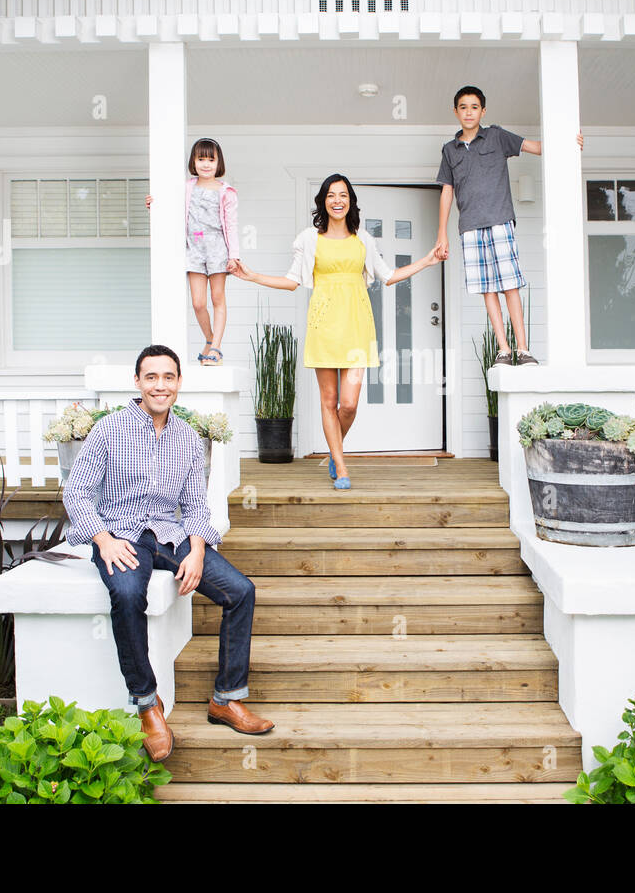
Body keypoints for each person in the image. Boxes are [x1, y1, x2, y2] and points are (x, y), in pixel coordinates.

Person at [62, 344, 274, 763]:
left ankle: (226, 699)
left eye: (169, 377)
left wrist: (197, 550)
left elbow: (196, 504)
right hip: (121, 533)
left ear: (178, 383)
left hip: (170, 536)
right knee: (126, 595)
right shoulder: (109, 430)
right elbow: (77, 491)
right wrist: (102, 540)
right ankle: (147, 703)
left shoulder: (189, 439)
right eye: (152, 377)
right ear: (138, 382)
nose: (160, 385)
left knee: (240, 591)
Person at [227, 174, 443, 489]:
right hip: (323, 326)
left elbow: (390, 275)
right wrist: (252, 276)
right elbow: (291, 281)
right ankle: (341, 467)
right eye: (331, 195)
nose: (337, 200)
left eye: (343, 195)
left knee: (350, 404)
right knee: (328, 400)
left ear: (350, 201)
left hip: (357, 326)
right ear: (323, 202)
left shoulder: (364, 239)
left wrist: (428, 260)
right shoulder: (308, 239)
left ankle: (334, 450)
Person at [434, 84, 583, 367]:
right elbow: (447, 191)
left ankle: (523, 349)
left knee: (510, 285)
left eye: (474, 107)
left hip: (500, 220)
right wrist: (442, 232)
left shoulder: (497, 137)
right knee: (487, 288)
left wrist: (568, 144)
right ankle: (503, 349)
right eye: (463, 107)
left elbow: (535, 148)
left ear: (483, 111)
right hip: (470, 227)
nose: (469, 112)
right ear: (456, 112)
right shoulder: (449, 150)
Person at [145, 138, 239, 365]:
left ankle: (215, 348)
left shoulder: (226, 191)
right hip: (194, 248)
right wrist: (153, 206)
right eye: (201, 159)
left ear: (218, 163)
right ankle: (209, 339)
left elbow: (232, 224)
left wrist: (234, 255)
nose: (206, 164)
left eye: (211, 159)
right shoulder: (187, 187)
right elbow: (169, 208)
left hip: (217, 247)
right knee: (198, 302)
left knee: (217, 298)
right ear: (193, 161)